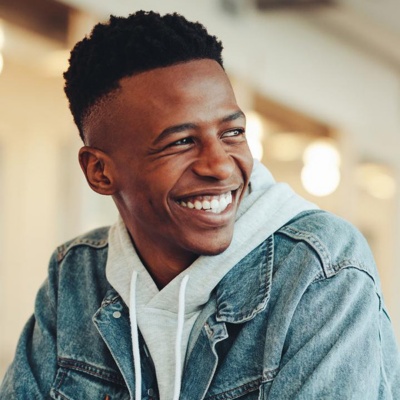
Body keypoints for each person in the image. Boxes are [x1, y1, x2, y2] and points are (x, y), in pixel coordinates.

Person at [1, 10, 399, 400]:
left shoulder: (320, 268)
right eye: (181, 141)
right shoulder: (76, 274)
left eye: (233, 133)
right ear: (100, 172)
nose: (220, 165)